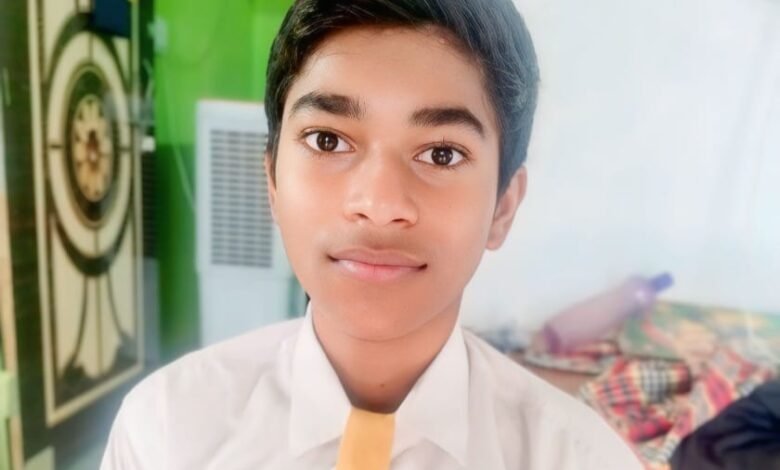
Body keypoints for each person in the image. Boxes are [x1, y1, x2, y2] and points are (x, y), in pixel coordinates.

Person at [101, 0, 642, 468]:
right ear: (273, 182)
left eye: (441, 153)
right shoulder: (165, 432)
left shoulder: (582, 458)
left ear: (502, 207)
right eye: (328, 141)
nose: (379, 206)